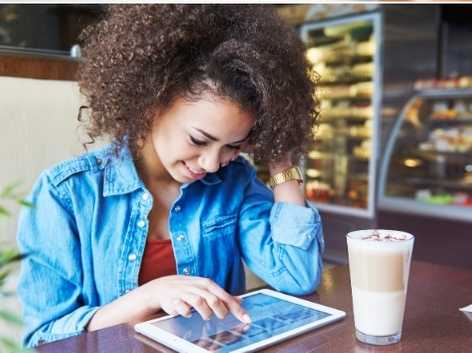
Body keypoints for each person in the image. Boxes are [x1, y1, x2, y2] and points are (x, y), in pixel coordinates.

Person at [17, 4, 324, 348]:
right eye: (198, 140)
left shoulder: (233, 180)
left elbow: (298, 276)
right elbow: (42, 339)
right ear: (151, 103)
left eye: (233, 146)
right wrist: (147, 297)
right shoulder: (66, 194)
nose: (211, 163)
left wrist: (283, 160)